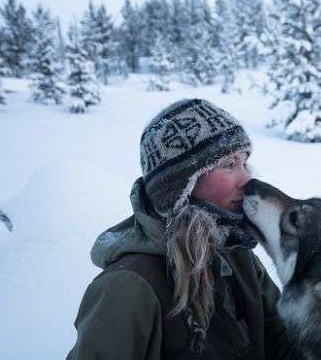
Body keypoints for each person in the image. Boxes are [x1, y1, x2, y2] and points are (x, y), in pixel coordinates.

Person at [67, 99, 301, 359]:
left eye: (244, 162)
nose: (248, 180)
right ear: (180, 185)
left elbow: (286, 345)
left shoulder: (238, 257)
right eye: (229, 165)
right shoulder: (128, 286)